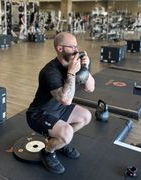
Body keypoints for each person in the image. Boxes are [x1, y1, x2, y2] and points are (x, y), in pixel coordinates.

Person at [26, 32, 95, 174]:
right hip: (39, 114)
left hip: (59, 109)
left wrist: (86, 68)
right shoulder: (49, 71)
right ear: (60, 48)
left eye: (76, 46)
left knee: (86, 116)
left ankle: (59, 143)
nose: (77, 51)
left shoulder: (76, 63)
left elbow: (90, 88)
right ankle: (47, 152)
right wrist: (71, 73)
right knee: (67, 132)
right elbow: (66, 100)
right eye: (72, 47)